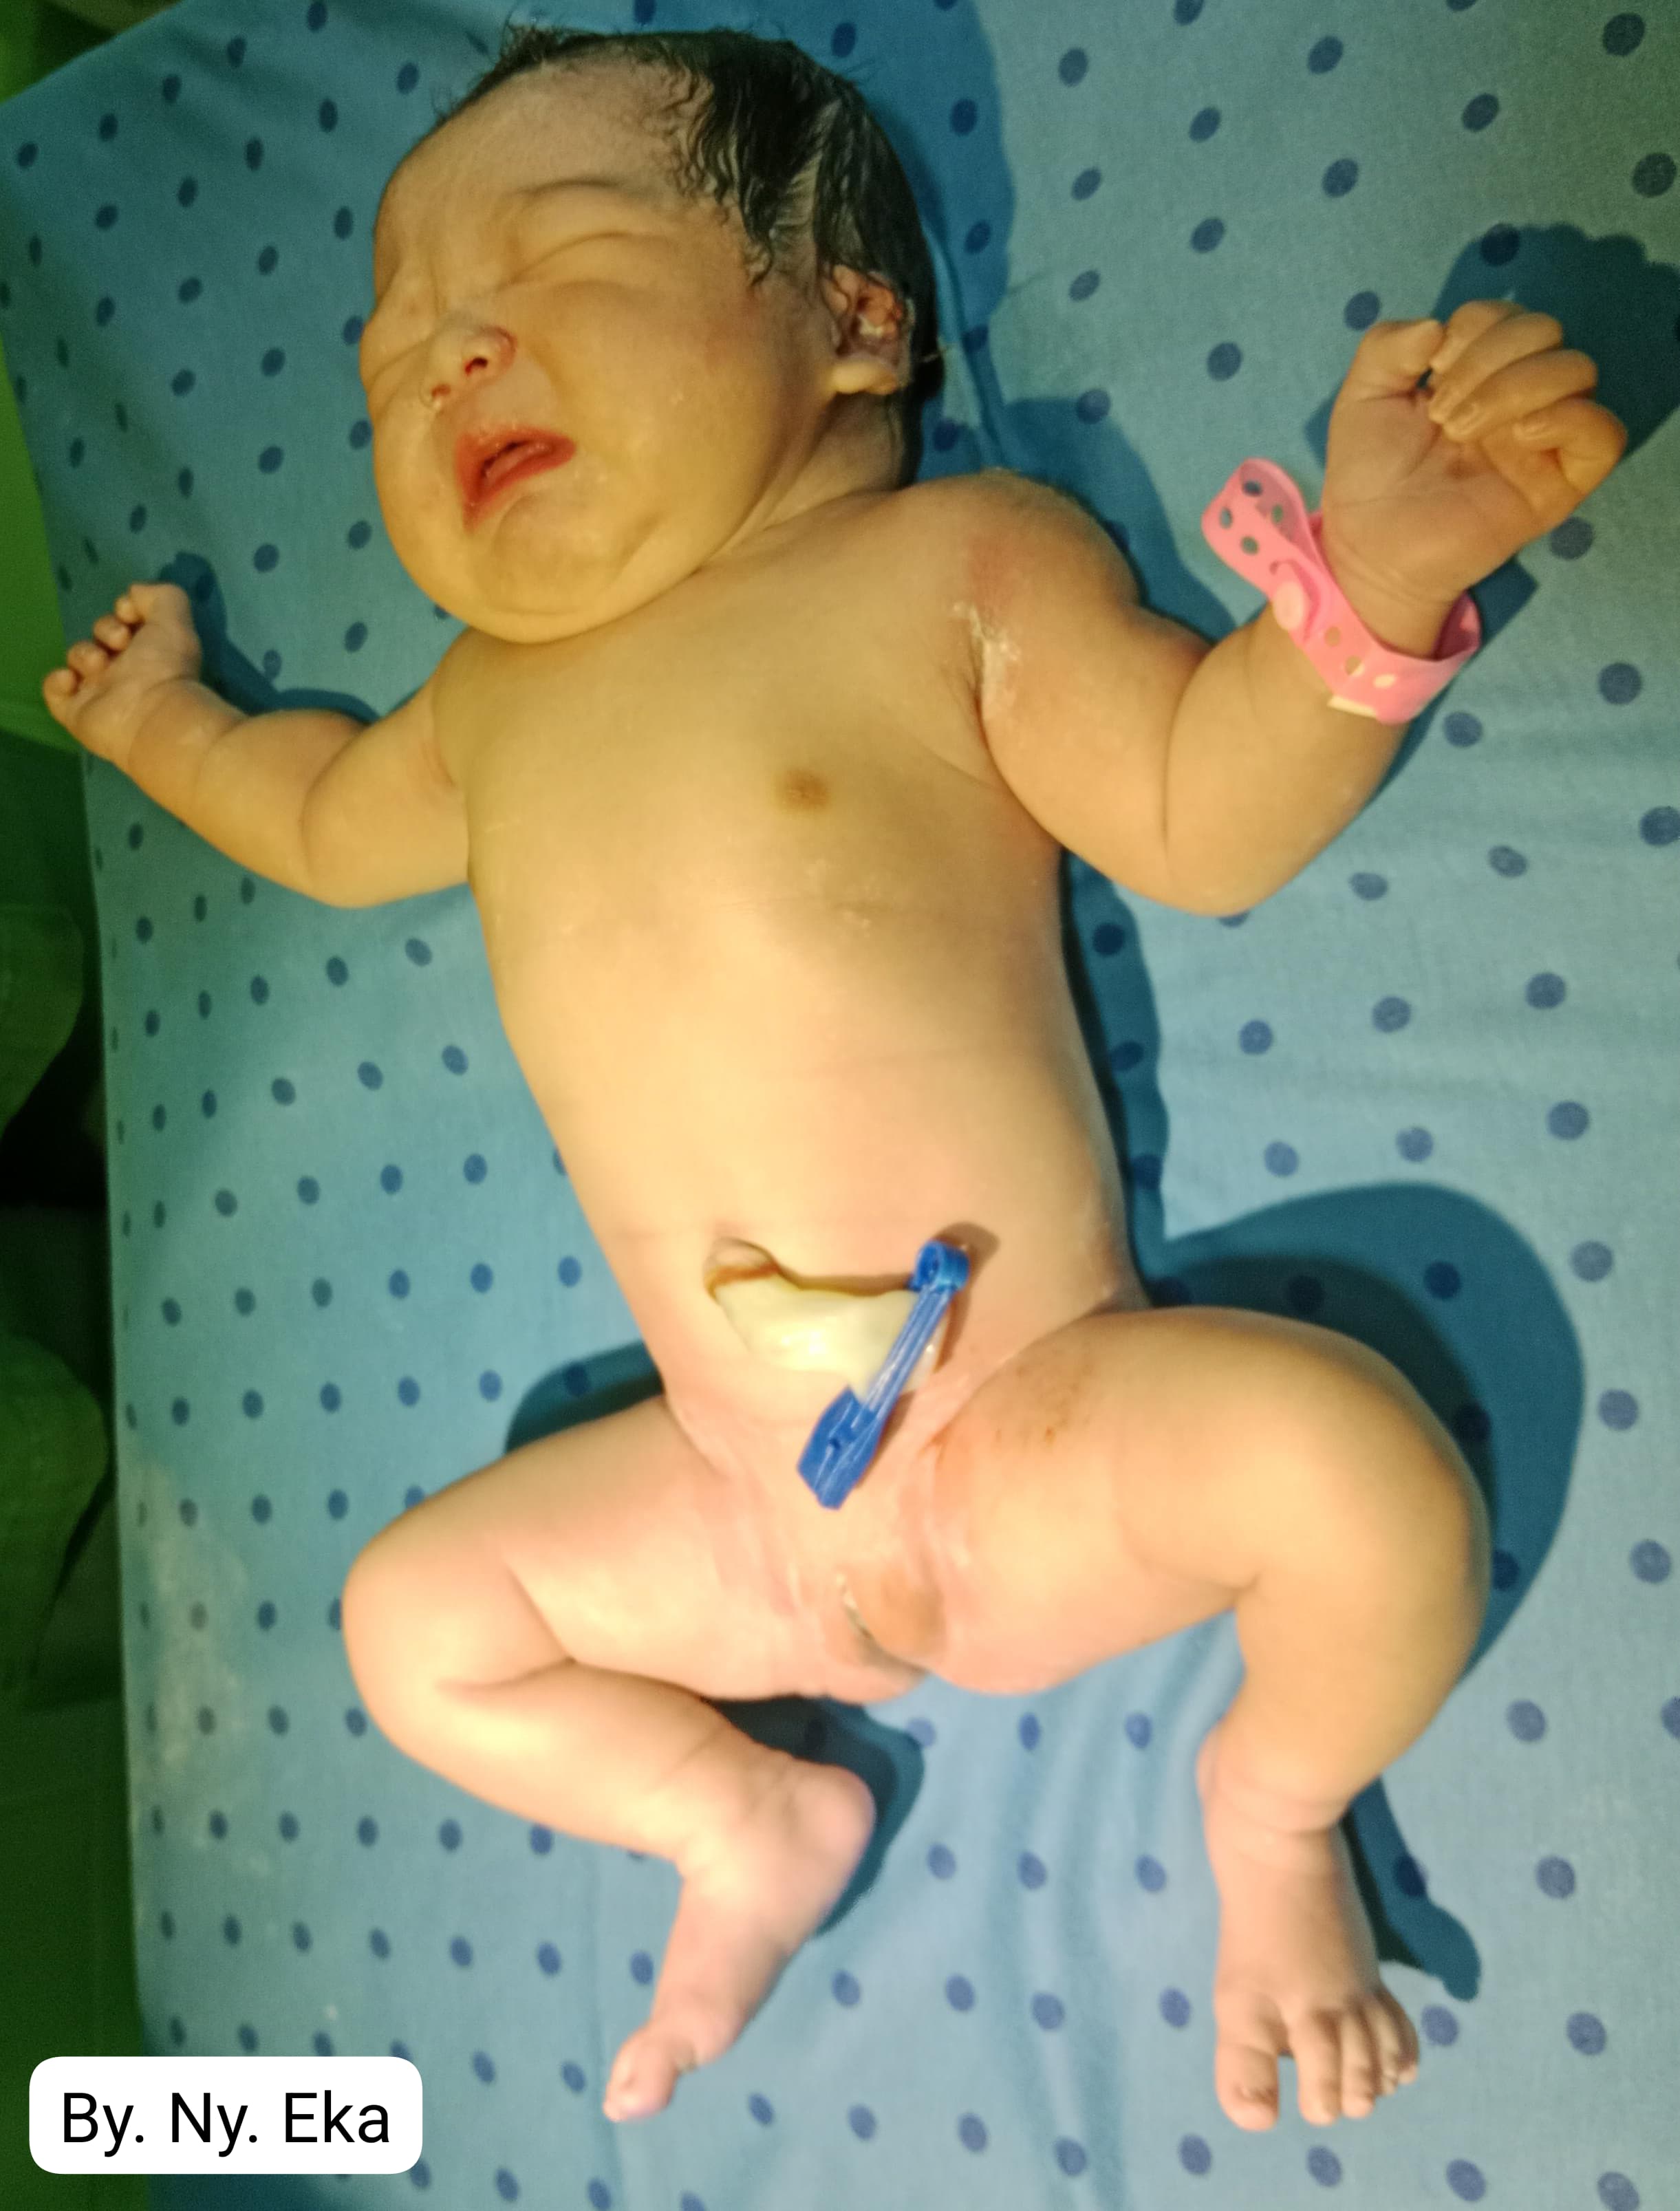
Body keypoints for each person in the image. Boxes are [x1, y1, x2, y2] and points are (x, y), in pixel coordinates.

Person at [42, 21, 1624, 2137]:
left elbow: (1194, 808)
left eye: (555, 265)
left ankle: (1269, 1804)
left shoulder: (949, 569)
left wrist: (1372, 579)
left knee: (1353, 1477)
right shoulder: (484, 705)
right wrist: (161, 730)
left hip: (1029, 1419)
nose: (450, 358)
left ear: (854, 320)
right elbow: (324, 824)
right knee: (412, 1624)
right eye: (392, 357)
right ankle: (733, 1817)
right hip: (736, 1506)